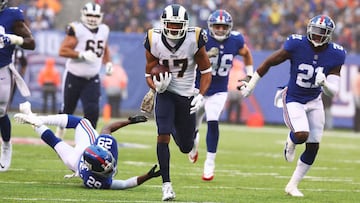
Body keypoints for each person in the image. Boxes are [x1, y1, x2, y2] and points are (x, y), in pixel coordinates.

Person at [240, 15, 346, 197]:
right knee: (301, 134)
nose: (318, 35)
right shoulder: (296, 44)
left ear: (329, 35)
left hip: (315, 100)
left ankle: (292, 185)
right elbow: (270, 62)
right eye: (316, 31)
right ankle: (291, 140)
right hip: (293, 98)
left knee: (314, 146)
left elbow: (333, 91)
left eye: (322, 33)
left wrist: (325, 84)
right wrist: (252, 84)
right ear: (309, 29)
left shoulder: (336, 54)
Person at [143, 4, 212, 201]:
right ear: (164, 24)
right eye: (170, 25)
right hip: (166, 94)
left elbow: (206, 71)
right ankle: (166, 186)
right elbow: (148, 73)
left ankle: (188, 133)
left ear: (185, 25)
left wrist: (202, 94)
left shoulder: (194, 38)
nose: (173, 29)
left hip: (186, 95)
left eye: (177, 25)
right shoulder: (153, 38)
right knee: (162, 134)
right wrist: (157, 87)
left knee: (185, 146)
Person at [14, 104, 160, 189]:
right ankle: (35, 119)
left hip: (78, 161)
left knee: (79, 124)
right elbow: (123, 184)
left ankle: (35, 118)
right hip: (76, 162)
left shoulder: (97, 176)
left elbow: (107, 128)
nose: (110, 170)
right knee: (55, 141)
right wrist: (147, 176)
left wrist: (129, 122)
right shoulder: (100, 177)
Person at [193, 9, 254, 181]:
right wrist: (203, 55)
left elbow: (246, 53)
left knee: (213, 121)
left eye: (223, 26)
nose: (220, 29)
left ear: (229, 27)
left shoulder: (235, 40)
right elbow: (188, 58)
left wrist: (249, 74)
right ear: (210, 26)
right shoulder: (201, 38)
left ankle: (210, 163)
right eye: (217, 26)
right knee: (192, 125)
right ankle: (193, 142)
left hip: (219, 89)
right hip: (197, 87)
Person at [57, 2, 113, 137]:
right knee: (67, 110)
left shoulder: (104, 29)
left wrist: (108, 62)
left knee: (92, 111)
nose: (92, 18)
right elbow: (62, 50)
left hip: (92, 78)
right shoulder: (77, 29)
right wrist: (80, 54)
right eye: (89, 15)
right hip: (74, 75)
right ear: (83, 15)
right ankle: (59, 132)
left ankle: (89, 138)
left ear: (100, 16)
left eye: (95, 16)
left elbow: (103, 47)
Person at [0, 0, 36, 172]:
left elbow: (31, 43)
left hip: (2, 70)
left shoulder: (12, 16)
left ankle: (6, 145)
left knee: (0, 112)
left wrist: (13, 39)